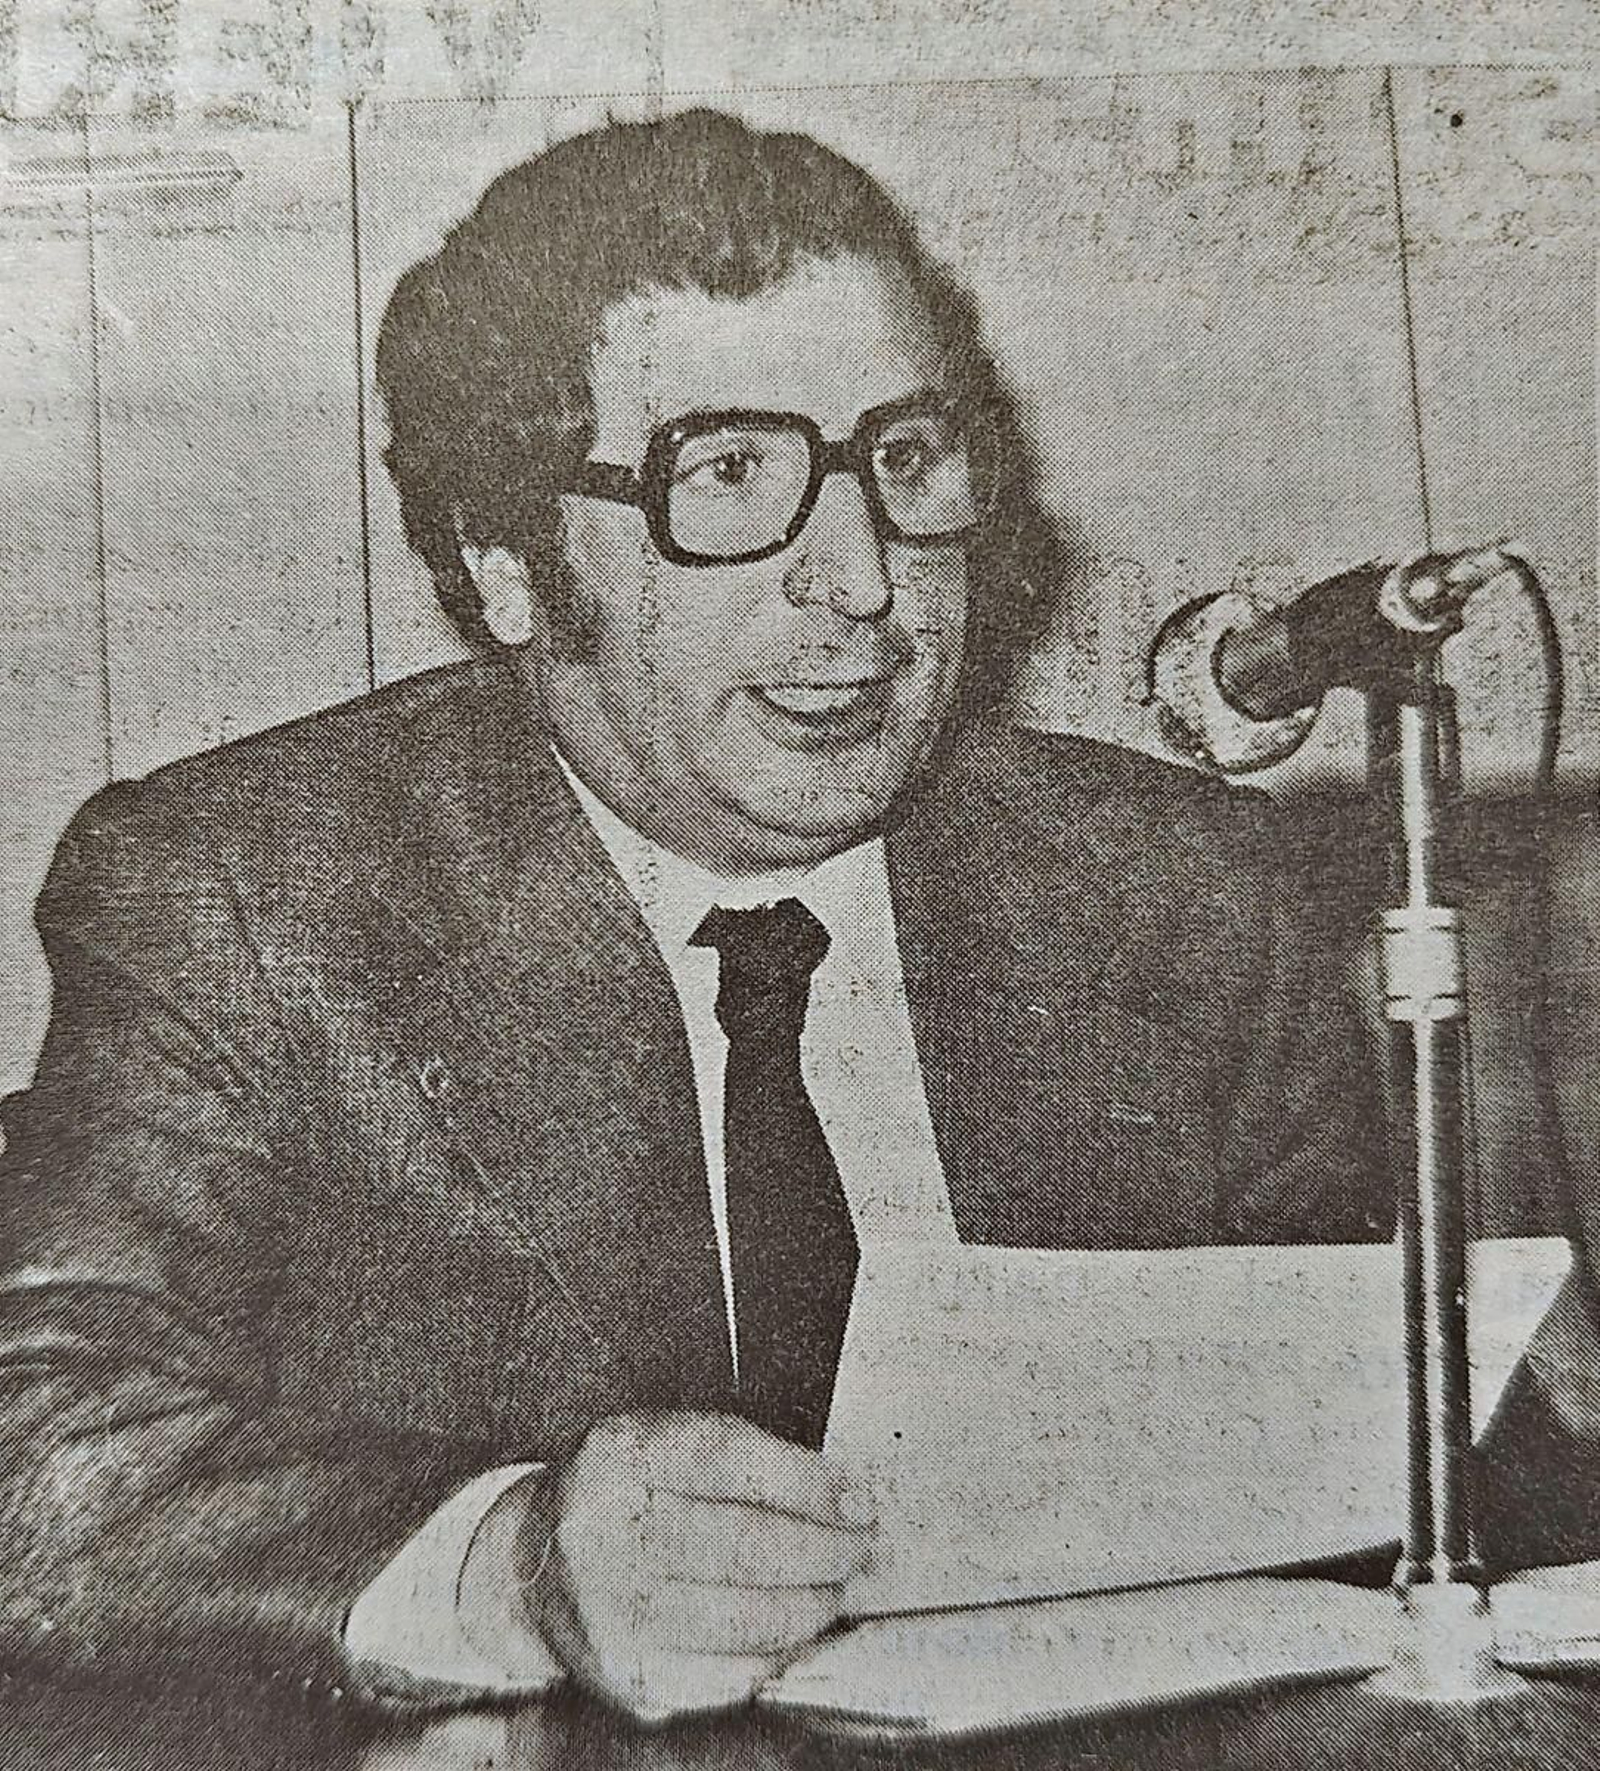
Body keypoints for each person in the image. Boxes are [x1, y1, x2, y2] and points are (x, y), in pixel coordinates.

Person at [0, 108, 1397, 1725]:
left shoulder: (1186, 891)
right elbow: (36, 1447)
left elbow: (1429, 1430)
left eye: (903, 461)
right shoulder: (249, 894)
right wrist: (509, 1563)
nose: (864, 581)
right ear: (513, 568)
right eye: (730, 477)